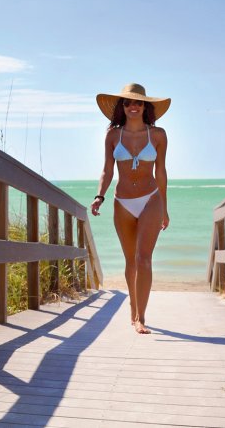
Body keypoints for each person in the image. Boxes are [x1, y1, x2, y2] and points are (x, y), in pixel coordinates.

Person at [90, 83, 170, 334]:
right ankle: (133, 309)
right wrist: (99, 196)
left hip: (150, 199)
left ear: (145, 106)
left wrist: (164, 208)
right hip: (122, 201)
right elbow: (107, 169)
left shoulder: (157, 135)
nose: (133, 106)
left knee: (143, 259)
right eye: (127, 103)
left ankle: (141, 318)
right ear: (121, 108)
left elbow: (161, 171)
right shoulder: (113, 136)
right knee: (130, 261)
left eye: (138, 102)